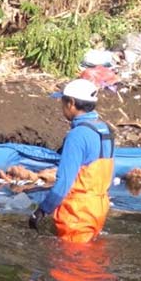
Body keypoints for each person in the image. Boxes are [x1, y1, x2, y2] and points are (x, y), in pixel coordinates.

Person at [29, 78, 115, 243]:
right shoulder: (105, 130)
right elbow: (109, 173)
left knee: (70, 265)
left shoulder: (77, 136)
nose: (62, 107)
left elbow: (64, 182)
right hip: (100, 206)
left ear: (71, 103)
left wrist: (41, 211)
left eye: (63, 102)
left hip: (78, 211)